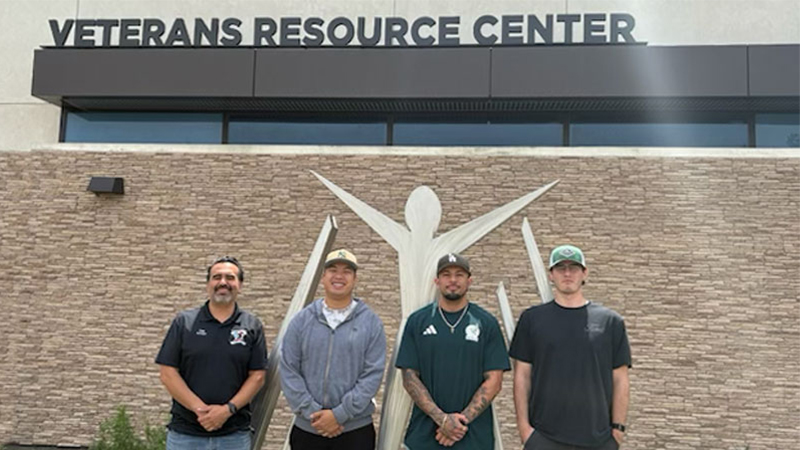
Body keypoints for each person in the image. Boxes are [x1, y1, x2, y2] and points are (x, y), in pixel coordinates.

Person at [509, 245, 632, 450]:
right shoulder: (532, 319)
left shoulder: (610, 322)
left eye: (573, 268)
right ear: (551, 275)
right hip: (544, 437)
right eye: (561, 268)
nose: (567, 273)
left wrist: (617, 431)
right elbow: (522, 376)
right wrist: (524, 429)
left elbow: (620, 379)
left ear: (584, 273)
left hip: (598, 439)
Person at [396, 253, 510, 449]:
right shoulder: (418, 321)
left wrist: (459, 422)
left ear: (469, 281)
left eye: (459, 275)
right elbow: (409, 377)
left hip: (474, 438)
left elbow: (495, 380)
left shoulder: (486, 323)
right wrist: (442, 419)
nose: (453, 280)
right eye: (446, 275)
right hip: (425, 436)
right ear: (437, 281)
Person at [155, 256, 268, 450]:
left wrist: (227, 410)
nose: (223, 282)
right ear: (208, 284)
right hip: (185, 435)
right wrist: (200, 409)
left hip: (234, 436)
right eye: (217, 277)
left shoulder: (252, 326)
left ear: (240, 285)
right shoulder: (184, 322)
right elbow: (167, 374)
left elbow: (257, 377)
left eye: (230, 278)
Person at [280, 249, 386, 450]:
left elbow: (372, 374)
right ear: (323, 277)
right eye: (333, 270)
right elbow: (289, 370)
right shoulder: (301, 321)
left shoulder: (371, 323)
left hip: (355, 432)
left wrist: (339, 414)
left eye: (347, 271)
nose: (339, 276)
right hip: (308, 431)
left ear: (355, 279)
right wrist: (313, 413)